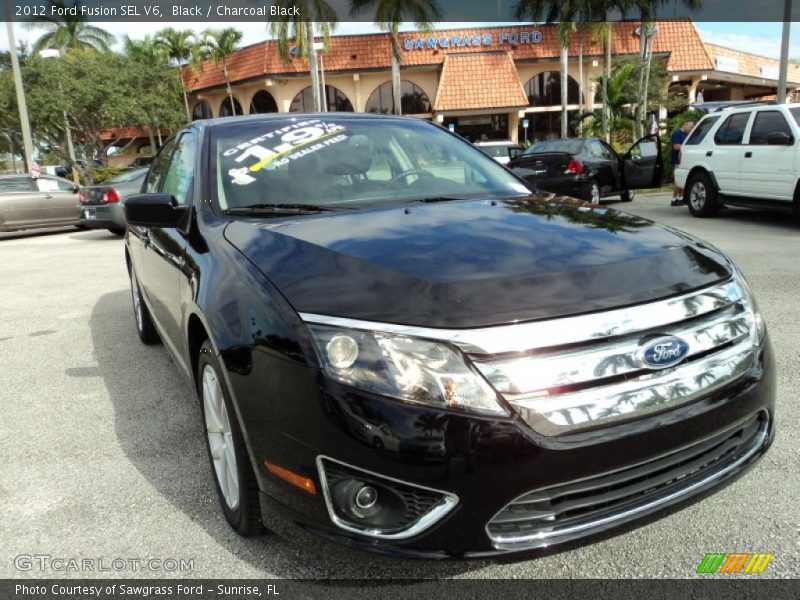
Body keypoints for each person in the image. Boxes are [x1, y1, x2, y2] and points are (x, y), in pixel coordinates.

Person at [670, 120, 694, 206]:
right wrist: (688, 147)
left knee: (683, 180)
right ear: (685, 124)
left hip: (684, 160)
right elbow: (676, 146)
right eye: (691, 127)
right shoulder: (677, 133)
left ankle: (680, 198)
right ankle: (674, 198)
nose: (692, 129)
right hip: (677, 160)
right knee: (677, 180)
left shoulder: (687, 135)